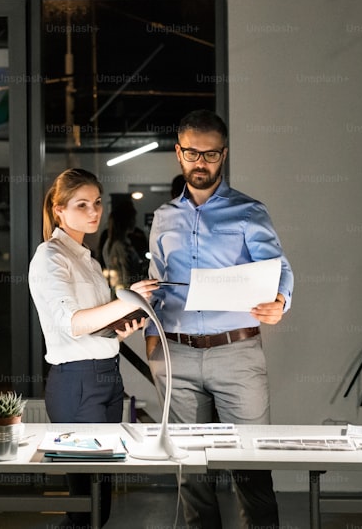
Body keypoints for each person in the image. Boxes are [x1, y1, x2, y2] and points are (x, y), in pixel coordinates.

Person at [146, 109, 294, 529]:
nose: (201, 162)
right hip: (177, 355)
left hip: (236, 354)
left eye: (210, 155)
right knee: (191, 472)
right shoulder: (163, 218)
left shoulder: (248, 212)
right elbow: (158, 282)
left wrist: (281, 299)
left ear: (223, 155)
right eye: (192, 153)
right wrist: (151, 342)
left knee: (250, 467)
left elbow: (280, 268)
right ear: (178, 153)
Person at [28, 167, 157, 528]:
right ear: (58, 210)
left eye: (97, 203)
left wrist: (120, 329)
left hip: (107, 379)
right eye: (81, 204)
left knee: (101, 496)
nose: (93, 212)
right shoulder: (50, 257)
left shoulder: (89, 258)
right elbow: (71, 323)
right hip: (77, 383)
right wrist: (131, 299)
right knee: (87, 501)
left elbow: (93, 328)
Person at [101, 200, 149, 291]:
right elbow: (126, 275)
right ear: (127, 221)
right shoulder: (120, 245)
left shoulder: (115, 242)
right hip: (125, 293)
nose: (135, 221)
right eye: (133, 218)